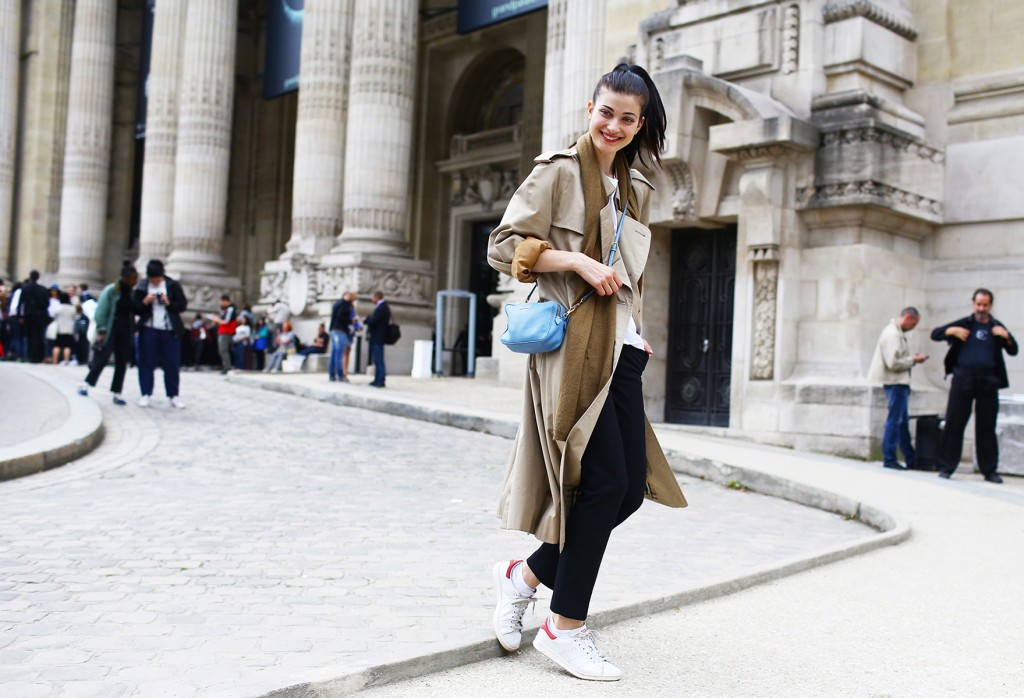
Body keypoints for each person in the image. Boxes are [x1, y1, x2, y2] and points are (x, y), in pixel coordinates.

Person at [486, 64, 687, 681]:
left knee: (625, 490)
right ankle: (564, 626)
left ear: (641, 124)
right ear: (590, 109)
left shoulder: (635, 187)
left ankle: (525, 576)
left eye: (628, 118)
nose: (614, 126)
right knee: (601, 483)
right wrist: (574, 260)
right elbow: (503, 246)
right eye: (607, 113)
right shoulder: (558, 172)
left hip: (621, 351)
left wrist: (636, 329)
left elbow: (629, 271)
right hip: (574, 351)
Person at [931, 288, 1018, 483]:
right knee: (954, 423)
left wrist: (1006, 337)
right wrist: (950, 331)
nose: (981, 309)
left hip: (988, 381)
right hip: (963, 379)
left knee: (986, 427)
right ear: (973, 304)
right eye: (978, 304)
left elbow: (1014, 350)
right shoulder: (964, 324)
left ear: (990, 306)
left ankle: (989, 470)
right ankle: (946, 467)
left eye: (985, 305)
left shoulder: (996, 327)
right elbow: (935, 334)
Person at [868, 307, 928, 470]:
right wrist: (913, 360)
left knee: (900, 422)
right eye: (913, 324)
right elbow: (893, 363)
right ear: (908, 317)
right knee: (895, 421)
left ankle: (910, 458)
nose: (913, 328)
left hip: (897, 383)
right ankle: (889, 458)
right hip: (895, 382)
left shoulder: (895, 332)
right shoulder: (893, 334)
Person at [79, 262, 138, 405]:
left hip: (125, 331)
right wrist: (102, 329)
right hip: (111, 329)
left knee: (121, 362)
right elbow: (101, 311)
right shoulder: (111, 290)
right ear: (126, 278)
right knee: (102, 358)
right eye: (133, 278)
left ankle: (117, 392)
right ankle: (86, 384)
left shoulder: (132, 293)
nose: (135, 281)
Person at [134, 259, 188, 408]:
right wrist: (145, 301)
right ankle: (145, 393)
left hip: (169, 330)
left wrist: (169, 303)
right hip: (148, 328)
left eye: (157, 279)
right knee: (146, 362)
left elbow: (182, 305)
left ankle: (173, 395)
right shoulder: (142, 286)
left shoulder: (172, 285)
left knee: (171, 363)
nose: (155, 282)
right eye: (152, 280)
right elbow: (136, 308)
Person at [19, 270, 50, 363]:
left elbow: (21, 303)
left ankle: (29, 355)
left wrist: (20, 316)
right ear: (38, 277)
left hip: (28, 315)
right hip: (39, 315)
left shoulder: (25, 288)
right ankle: (37, 356)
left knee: (29, 335)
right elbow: (46, 304)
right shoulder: (43, 289)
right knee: (38, 336)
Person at [364, 291, 390, 388]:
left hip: (377, 337)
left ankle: (380, 380)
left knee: (378, 360)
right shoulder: (383, 307)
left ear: (377, 297)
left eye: (373, 297)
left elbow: (373, 320)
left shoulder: (381, 308)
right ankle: (377, 379)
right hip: (378, 337)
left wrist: (366, 319)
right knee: (377, 359)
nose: (372, 300)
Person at [329, 292, 356, 382]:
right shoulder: (345, 305)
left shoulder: (337, 303)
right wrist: (351, 320)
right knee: (339, 354)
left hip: (333, 330)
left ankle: (332, 375)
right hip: (340, 331)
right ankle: (340, 375)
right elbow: (341, 316)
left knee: (334, 353)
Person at [209, 293, 237, 374]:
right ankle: (225, 366)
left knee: (223, 350)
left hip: (226, 331)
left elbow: (226, 321)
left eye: (222, 301)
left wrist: (217, 319)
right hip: (222, 331)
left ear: (225, 301)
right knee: (222, 350)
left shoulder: (230, 309)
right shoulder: (225, 310)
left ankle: (227, 367)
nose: (221, 303)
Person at [50, 292, 76, 365]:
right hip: (68, 329)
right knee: (67, 346)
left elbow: (54, 316)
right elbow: (74, 317)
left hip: (59, 329)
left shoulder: (58, 308)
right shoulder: (72, 308)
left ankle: (55, 361)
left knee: (57, 346)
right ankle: (66, 361)